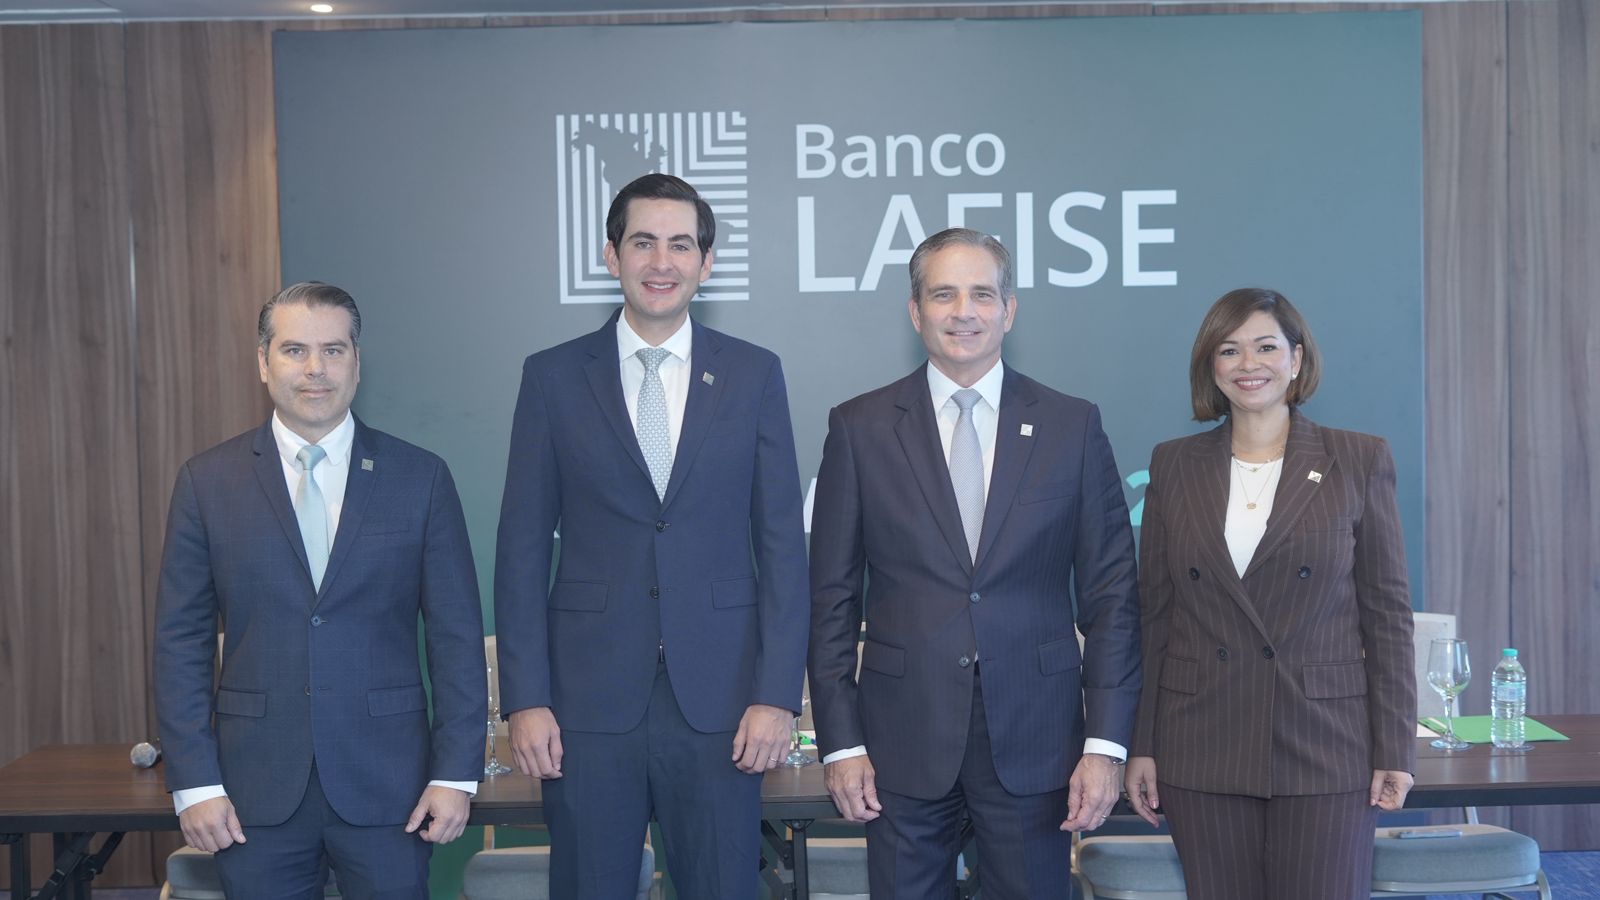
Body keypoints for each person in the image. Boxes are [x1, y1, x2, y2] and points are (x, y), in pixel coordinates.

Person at [494, 173, 809, 898]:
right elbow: (519, 551)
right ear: (611, 256)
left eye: (680, 245)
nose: (661, 262)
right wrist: (525, 699)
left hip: (723, 704)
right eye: (643, 242)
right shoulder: (551, 377)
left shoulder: (754, 374)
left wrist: (777, 695)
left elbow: (783, 548)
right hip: (585, 705)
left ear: (706, 261)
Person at [807, 227, 1142, 898]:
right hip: (900, 737)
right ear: (915, 311)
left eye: (982, 294)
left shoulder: (1071, 426)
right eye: (944, 294)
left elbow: (1112, 598)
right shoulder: (859, 427)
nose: (964, 311)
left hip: (1037, 734)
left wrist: (1105, 748)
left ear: (1009, 310)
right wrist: (841, 744)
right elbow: (831, 600)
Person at [154, 281, 486, 898]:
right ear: (263, 362)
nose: (315, 369)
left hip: (392, 789)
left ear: (357, 362)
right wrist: (195, 782)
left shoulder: (420, 478)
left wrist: (455, 774)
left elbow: (457, 638)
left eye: (333, 350)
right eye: (294, 350)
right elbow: (182, 642)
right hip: (251, 793)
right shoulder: (208, 482)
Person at [1125, 287, 1416, 900]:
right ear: (1211, 366)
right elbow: (1155, 615)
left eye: (1265, 347)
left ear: (1297, 358)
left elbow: (1387, 615)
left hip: (1325, 742)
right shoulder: (1173, 464)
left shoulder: (1357, 458)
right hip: (1201, 740)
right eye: (1229, 350)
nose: (1248, 364)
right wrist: (1142, 745)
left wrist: (1395, 747)